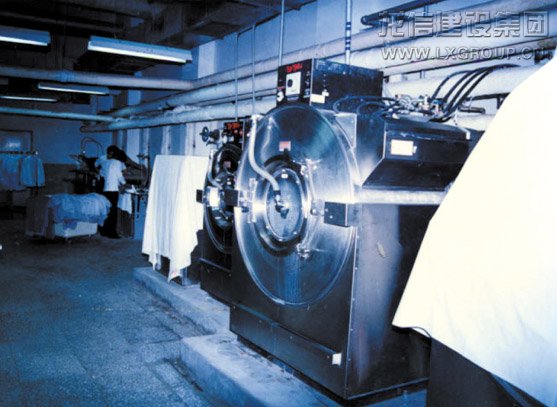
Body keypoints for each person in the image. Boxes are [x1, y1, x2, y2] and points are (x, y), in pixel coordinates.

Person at [96, 145, 126, 238]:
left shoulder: (105, 162)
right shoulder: (117, 163)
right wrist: (124, 183)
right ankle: (112, 233)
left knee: (106, 210)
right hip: (113, 190)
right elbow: (119, 175)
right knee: (113, 212)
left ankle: (103, 231)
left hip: (106, 190)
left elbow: (101, 173)